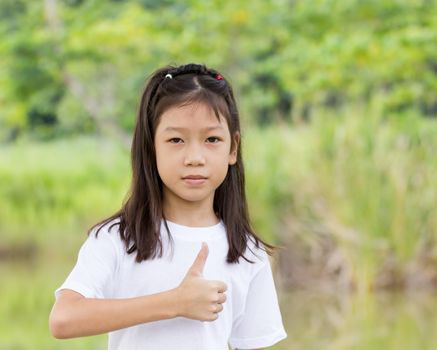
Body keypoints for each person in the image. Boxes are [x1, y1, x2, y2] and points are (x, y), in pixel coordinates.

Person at [49, 63, 287, 350]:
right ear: (151, 147)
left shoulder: (247, 251)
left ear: (232, 148)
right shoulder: (117, 238)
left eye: (212, 139)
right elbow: (64, 319)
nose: (194, 157)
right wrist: (175, 302)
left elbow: (252, 344)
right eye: (176, 140)